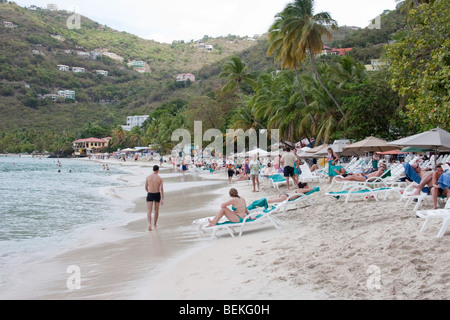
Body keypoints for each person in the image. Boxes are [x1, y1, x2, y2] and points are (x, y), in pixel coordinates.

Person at [145, 165, 164, 231]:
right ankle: (155, 224)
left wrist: (149, 192)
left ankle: (149, 224)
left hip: (150, 194)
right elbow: (161, 189)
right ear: (158, 170)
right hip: (157, 194)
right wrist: (162, 199)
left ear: (153, 170)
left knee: (149, 211)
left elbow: (146, 187)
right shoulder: (160, 178)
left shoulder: (148, 177)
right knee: (156, 210)